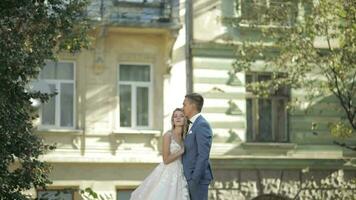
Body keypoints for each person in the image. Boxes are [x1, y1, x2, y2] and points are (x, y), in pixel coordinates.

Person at [130, 108, 190, 200]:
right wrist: (181, 151)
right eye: (175, 116)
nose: (178, 118)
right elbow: (165, 160)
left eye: (181, 116)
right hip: (168, 172)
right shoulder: (168, 135)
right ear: (173, 120)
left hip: (181, 172)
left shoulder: (185, 137)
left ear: (185, 119)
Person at [182, 93, 213, 200]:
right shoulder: (190, 125)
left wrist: (194, 180)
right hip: (188, 179)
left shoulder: (202, 125)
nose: (183, 108)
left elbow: (203, 155)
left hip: (197, 181)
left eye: (184, 105)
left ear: (192, 106)